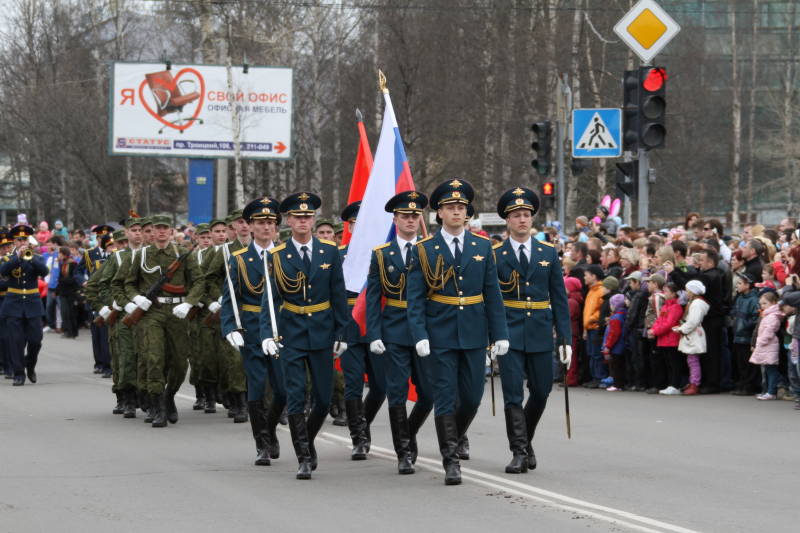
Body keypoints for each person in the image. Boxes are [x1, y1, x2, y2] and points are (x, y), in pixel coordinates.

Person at [406, 178, 509, 485]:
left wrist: (500, 333)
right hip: (440, 332)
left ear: (467, 212)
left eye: (461, 207)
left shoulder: (482, 246)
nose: (456, 212)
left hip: (474, 331)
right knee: (445, 397)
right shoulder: (424, 249)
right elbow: (415, 298)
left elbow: (492, 294)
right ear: (439, 213)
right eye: (450, 207)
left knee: (472, 397)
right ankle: (450, 459)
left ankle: (455, 435)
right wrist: (419, 334)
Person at [259, 192, 349, 480]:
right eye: (297, 217)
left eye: (307, 216)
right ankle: (304, 457)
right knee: (296, 396)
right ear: (288, 220)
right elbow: (270, 300)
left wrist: (342, 332)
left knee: (323, 399)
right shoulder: (277, 255)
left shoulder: (329, 251)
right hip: (292, 333)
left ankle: (307, 440)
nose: (303, 221)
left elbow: (338, 294)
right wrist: (267, 333)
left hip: (323, 332)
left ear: (313, 220)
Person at [491, 187, 570, 473]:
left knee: (541, 391)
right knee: (513, 394)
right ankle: (519, 451)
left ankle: (526, 439)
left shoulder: (547, 252)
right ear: (507, 220)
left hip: (539, 330)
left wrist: (565, 339)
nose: (522, 220)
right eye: (516, 215)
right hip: (508, 332)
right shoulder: (495, 254)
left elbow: (559, 299)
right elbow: (490, 298)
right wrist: (491, 336)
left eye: (526, 214)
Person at [366, 190, 432, 474]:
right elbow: (372, 298)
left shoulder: (430, 250)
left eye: (415, 215)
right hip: (394, 329)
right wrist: (374, 334)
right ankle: (403, 451)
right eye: (405, 216)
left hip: (424, 331)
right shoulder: (382, 254)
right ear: (395, 220)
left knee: (428, 393)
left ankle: (408, 431)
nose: (411, 220)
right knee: (397, 393)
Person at [122, 215, 204, 427]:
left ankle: (169, 395)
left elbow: (198, 282)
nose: (160, 232)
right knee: (154, 358)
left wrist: (188, 303)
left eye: (164, 228)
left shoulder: (182, 254)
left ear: (171, 231)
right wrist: (137, 298)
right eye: (157, 228)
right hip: (152, 312)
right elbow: (129, 283)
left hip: (177, 312)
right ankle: (157, 406)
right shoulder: (142, 255)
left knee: (180, 362)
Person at [221, 197, 286, 466]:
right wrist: (230, 327)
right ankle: (262, 443)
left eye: (271, 222)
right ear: (250, 226)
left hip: (281, 329)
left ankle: (269, 429)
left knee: (283, 390)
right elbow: (230, 298)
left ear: (277, 226)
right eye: (260, 222)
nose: (266, 227)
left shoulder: (286, 255)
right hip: (251, 329)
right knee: (257, 388)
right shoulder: (239, 259)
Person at [338, 200, 387, 461]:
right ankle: (358, 437)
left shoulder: (382, 254)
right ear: (349, 227)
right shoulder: (339, 256)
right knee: (353, 384)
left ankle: (362, 423)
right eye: (356, 223)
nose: (361, 228)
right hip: (349, 328)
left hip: (375, 327)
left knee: (380, 387)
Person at [0, 224, 49, 386]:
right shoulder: (8, 258)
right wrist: (18, 257)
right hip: (13, 303)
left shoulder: (37, 257)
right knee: (16, 341)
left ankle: (30, 363)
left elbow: (44, 272)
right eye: (19, 240)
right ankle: (19, 373)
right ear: (14, 242)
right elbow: (4, 271)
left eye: (24, 239)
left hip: (32, 303)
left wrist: (30, 257)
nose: (22, 242)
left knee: (36, 339)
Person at [648, 282, 684, 396]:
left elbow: (669, 324)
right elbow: (659, 321)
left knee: (674, 364)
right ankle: (670, 385)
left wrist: (655, 331)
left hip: (672, 339)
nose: (664, 293)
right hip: (663, 339)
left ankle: (675, 385)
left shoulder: (676, 307)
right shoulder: (665, 306)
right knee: (668, 364)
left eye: (666, 291)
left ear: (673, 294)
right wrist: (653, 329)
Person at [675, 280, 709, 396]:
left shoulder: (697, 304)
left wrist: (681, 329)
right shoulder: (694, 302)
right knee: (691, 360)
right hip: (692, 333)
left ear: (693, 291)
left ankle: (694, 383)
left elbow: (693, 321)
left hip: (693, 334)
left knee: (693, 360)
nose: (685, 293)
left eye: (687, 290)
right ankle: (692, 382)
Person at [750, 291, 784, 400]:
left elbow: (769, 331)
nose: (762, 306)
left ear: (773, 302)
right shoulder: (768, 314)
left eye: (765, 303)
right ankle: (768, 391)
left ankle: (771, 392)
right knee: (768, 369)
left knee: (771, 369)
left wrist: (760, 342)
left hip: (768, 345)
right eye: (761, 304)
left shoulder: (772, 316)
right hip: (767, 345)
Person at [731, 273, 761, 395]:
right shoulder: (740, 298)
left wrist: (744, 326)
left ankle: (749, 386)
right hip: (737, 336)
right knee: (740, 363)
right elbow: (734, 312)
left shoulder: (754, 300)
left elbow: (756, 319)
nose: (737, 285)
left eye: (739, 283)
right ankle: (742, 384)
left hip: (747, 337)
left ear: (748, 285)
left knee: (748, 363)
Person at [582, 264, 606, 388]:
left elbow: (602, 310)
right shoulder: (591, 291)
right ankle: (594, 377)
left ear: (594, 276)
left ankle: (599, 377)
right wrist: (585, 328)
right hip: (589, 328)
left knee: (596, 354)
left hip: (596, 327)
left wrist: (592, 319)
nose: (584, 277)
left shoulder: (600, 290)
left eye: (586, 275)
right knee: (591, 353)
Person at [56, 245, 82, 339]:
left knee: (71, 312)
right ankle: (67, 331)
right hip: (63, 292)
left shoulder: (73, 264)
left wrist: (63, 280)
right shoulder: (62, 263)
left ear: (64, 254)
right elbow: (60, 278)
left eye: (59, 253)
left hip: (71, 292)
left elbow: (74, 278)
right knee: (64, 312)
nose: (58, 255)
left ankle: (73, 332)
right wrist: (57, 291)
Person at [602, 294, 627, 392]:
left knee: (616, 366)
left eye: (611, 304)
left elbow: (614, 333)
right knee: (620, 365)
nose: (610, 306)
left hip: (616, 346)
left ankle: (617, 384)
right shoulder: (623, 314)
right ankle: (620, 384)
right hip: (621, 344)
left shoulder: (616, 317)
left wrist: (608, 346)